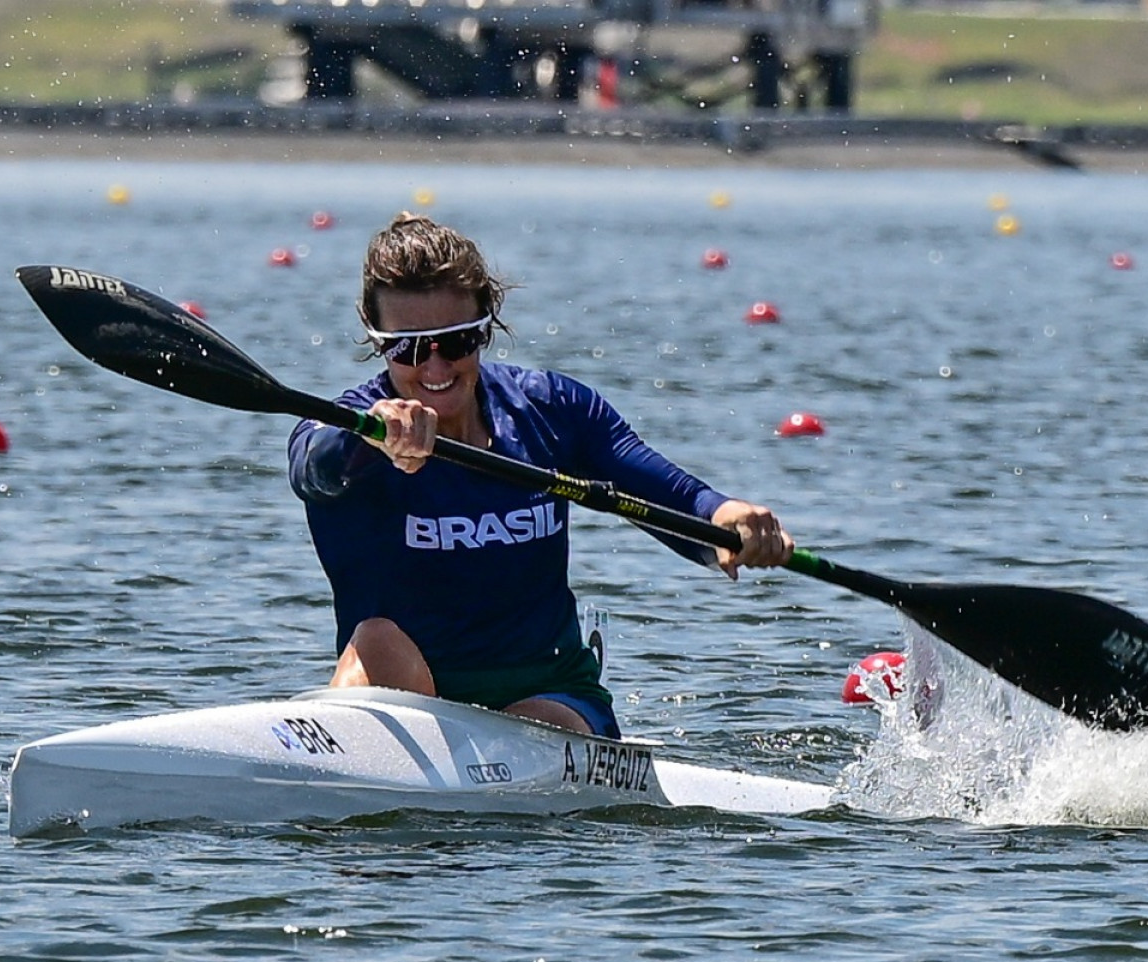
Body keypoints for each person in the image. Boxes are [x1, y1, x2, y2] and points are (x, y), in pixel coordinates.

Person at [286, 213, 794, 739]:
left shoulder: (551, 409)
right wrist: (367, 438)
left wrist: (726, 519)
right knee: (377, 639)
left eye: (456, 342)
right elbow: (313, 471)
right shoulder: (344, 428)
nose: (435, 369)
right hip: (405, 685)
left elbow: (667, 494)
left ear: (486, 326)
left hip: (547, 696)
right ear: (376, 339)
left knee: (535, 724)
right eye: (409, 347)